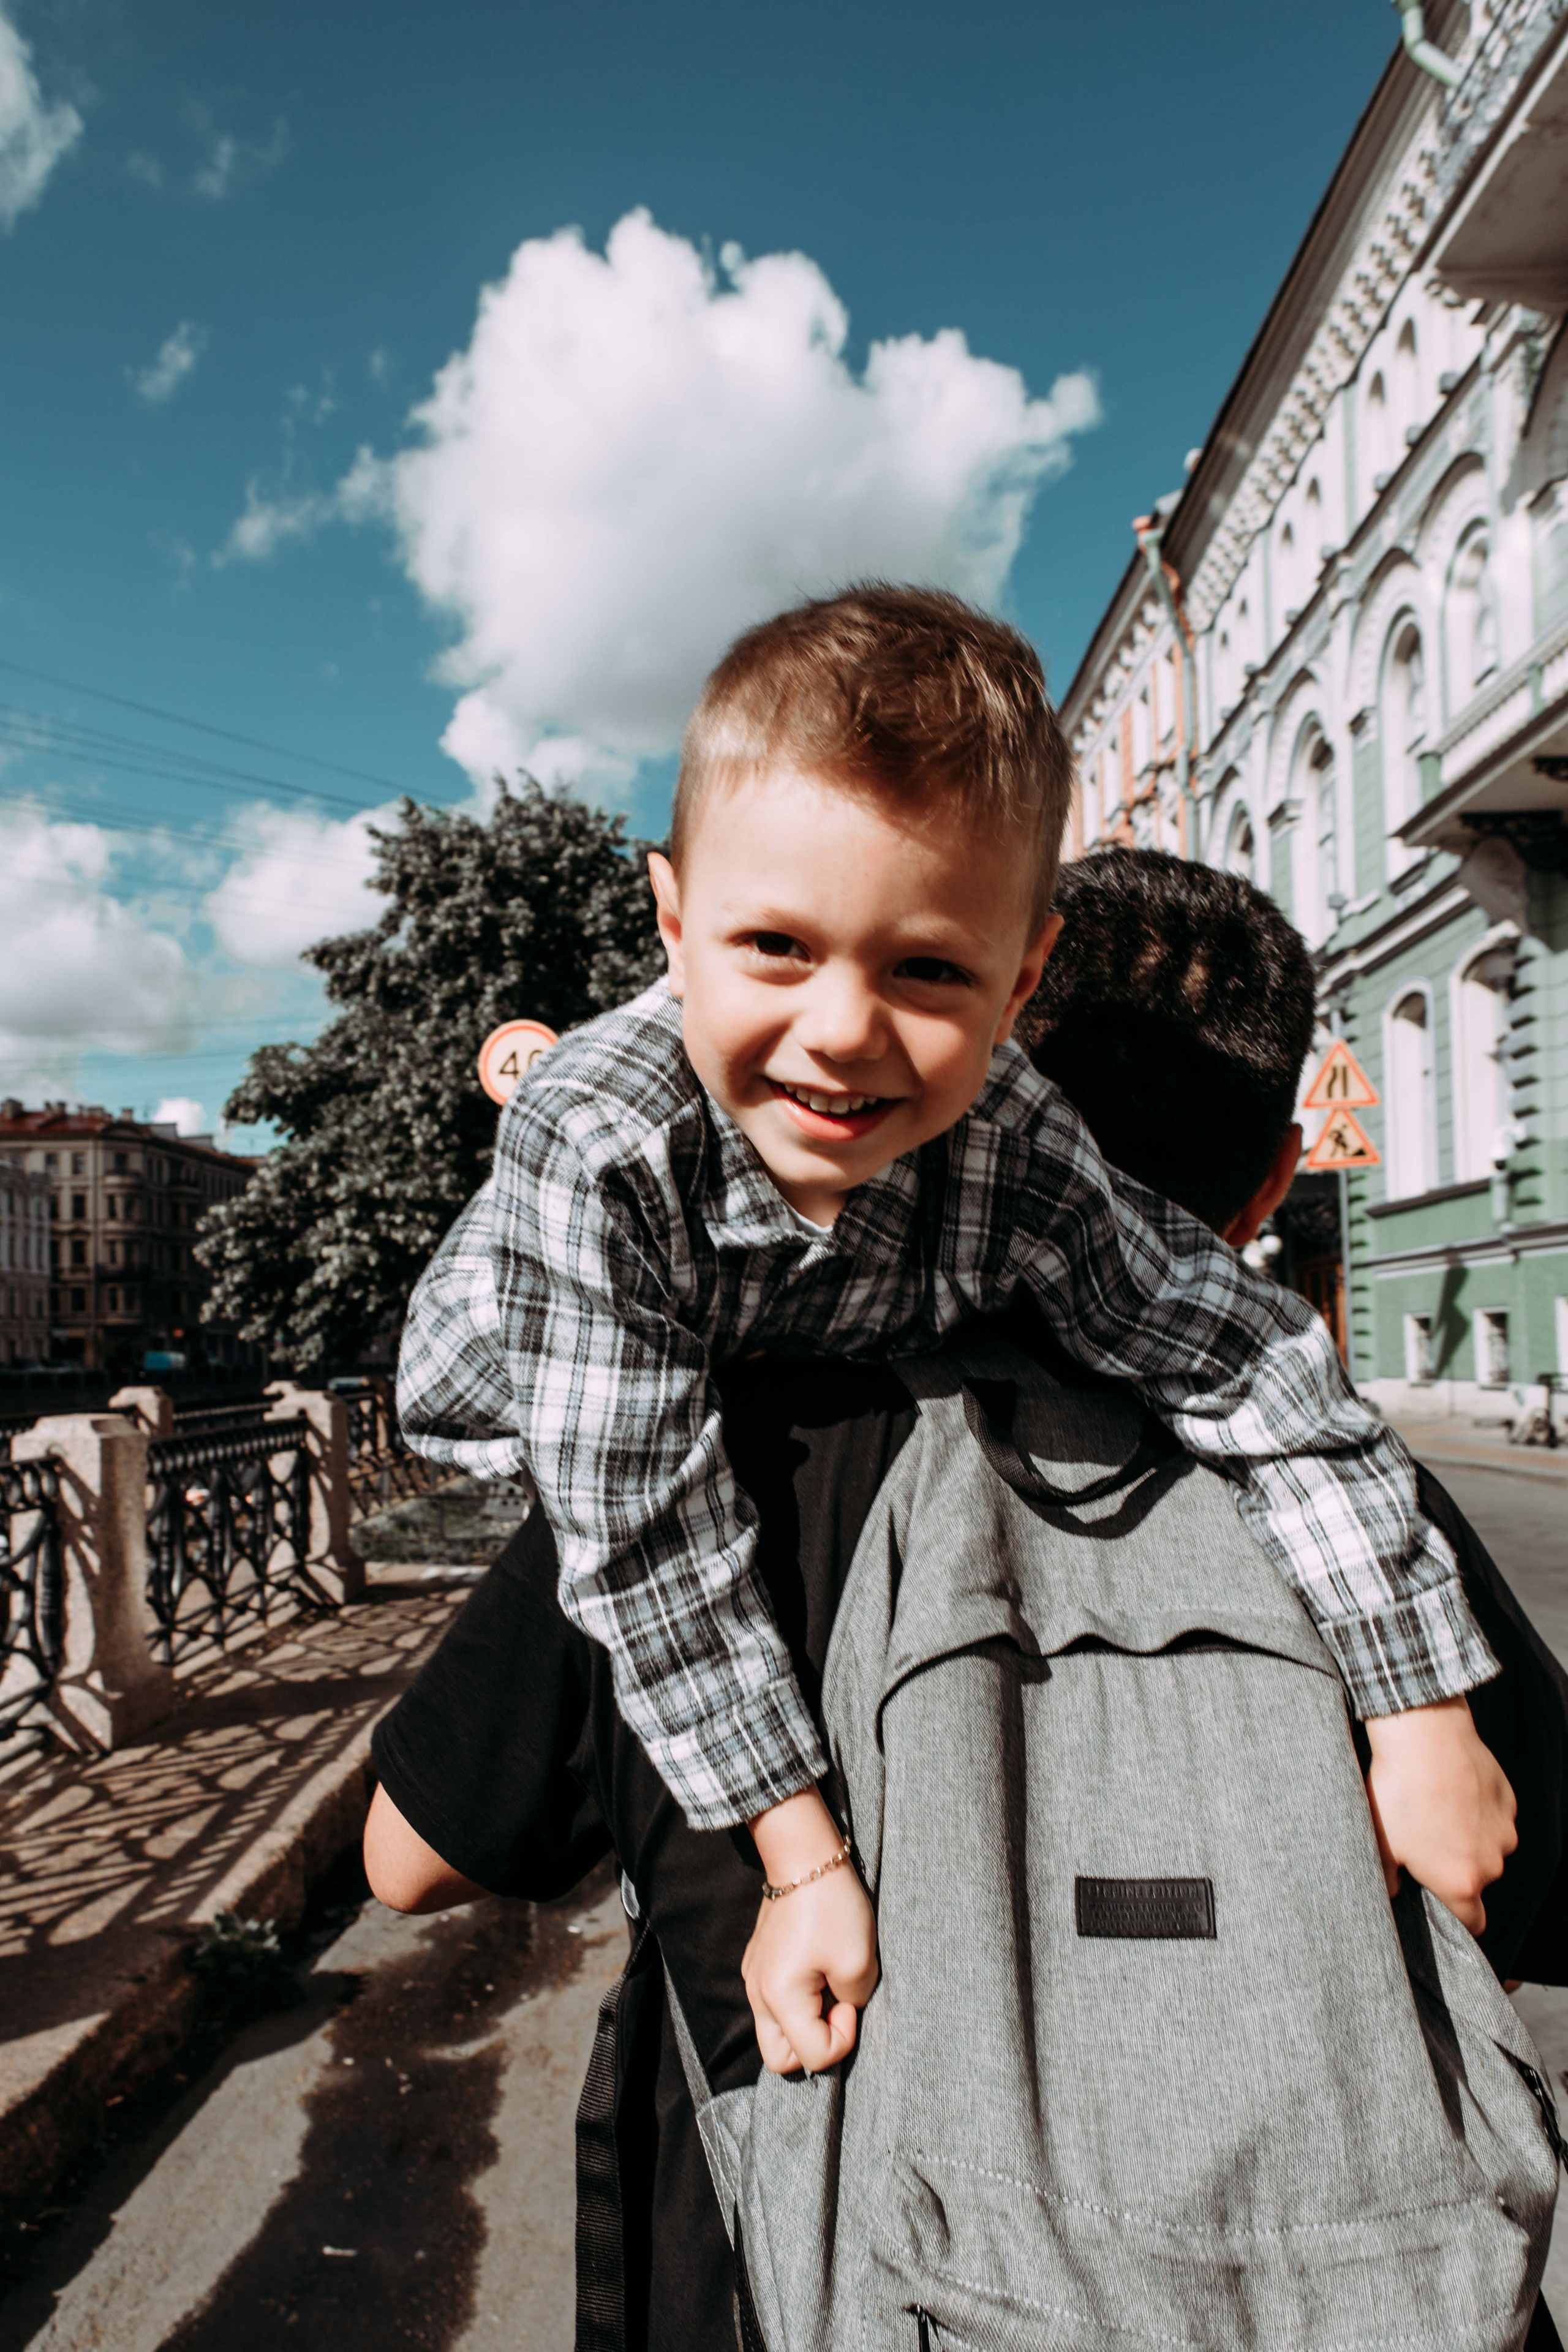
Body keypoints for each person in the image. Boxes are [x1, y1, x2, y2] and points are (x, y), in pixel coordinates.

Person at [368, 843, 1567, 2350]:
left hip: (804, 2276)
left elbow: (411, 1858)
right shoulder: (1361, 1503)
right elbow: (1521, 1887)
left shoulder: (698, 1447)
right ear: (1270, 1182)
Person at [394, 586, 1512, 2078]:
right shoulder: (604, 1149)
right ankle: (559, 1050)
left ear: (1023, 981)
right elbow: (644, 1535)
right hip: (534, 1354)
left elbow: (1238, 1354)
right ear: (671, 923)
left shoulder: (1010, 1136)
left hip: (830, 1285)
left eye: (926, 968)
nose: (847, 1029)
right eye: (776, 946)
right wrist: (801, 1864)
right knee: (597, 1177)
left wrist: (1416, 1709)